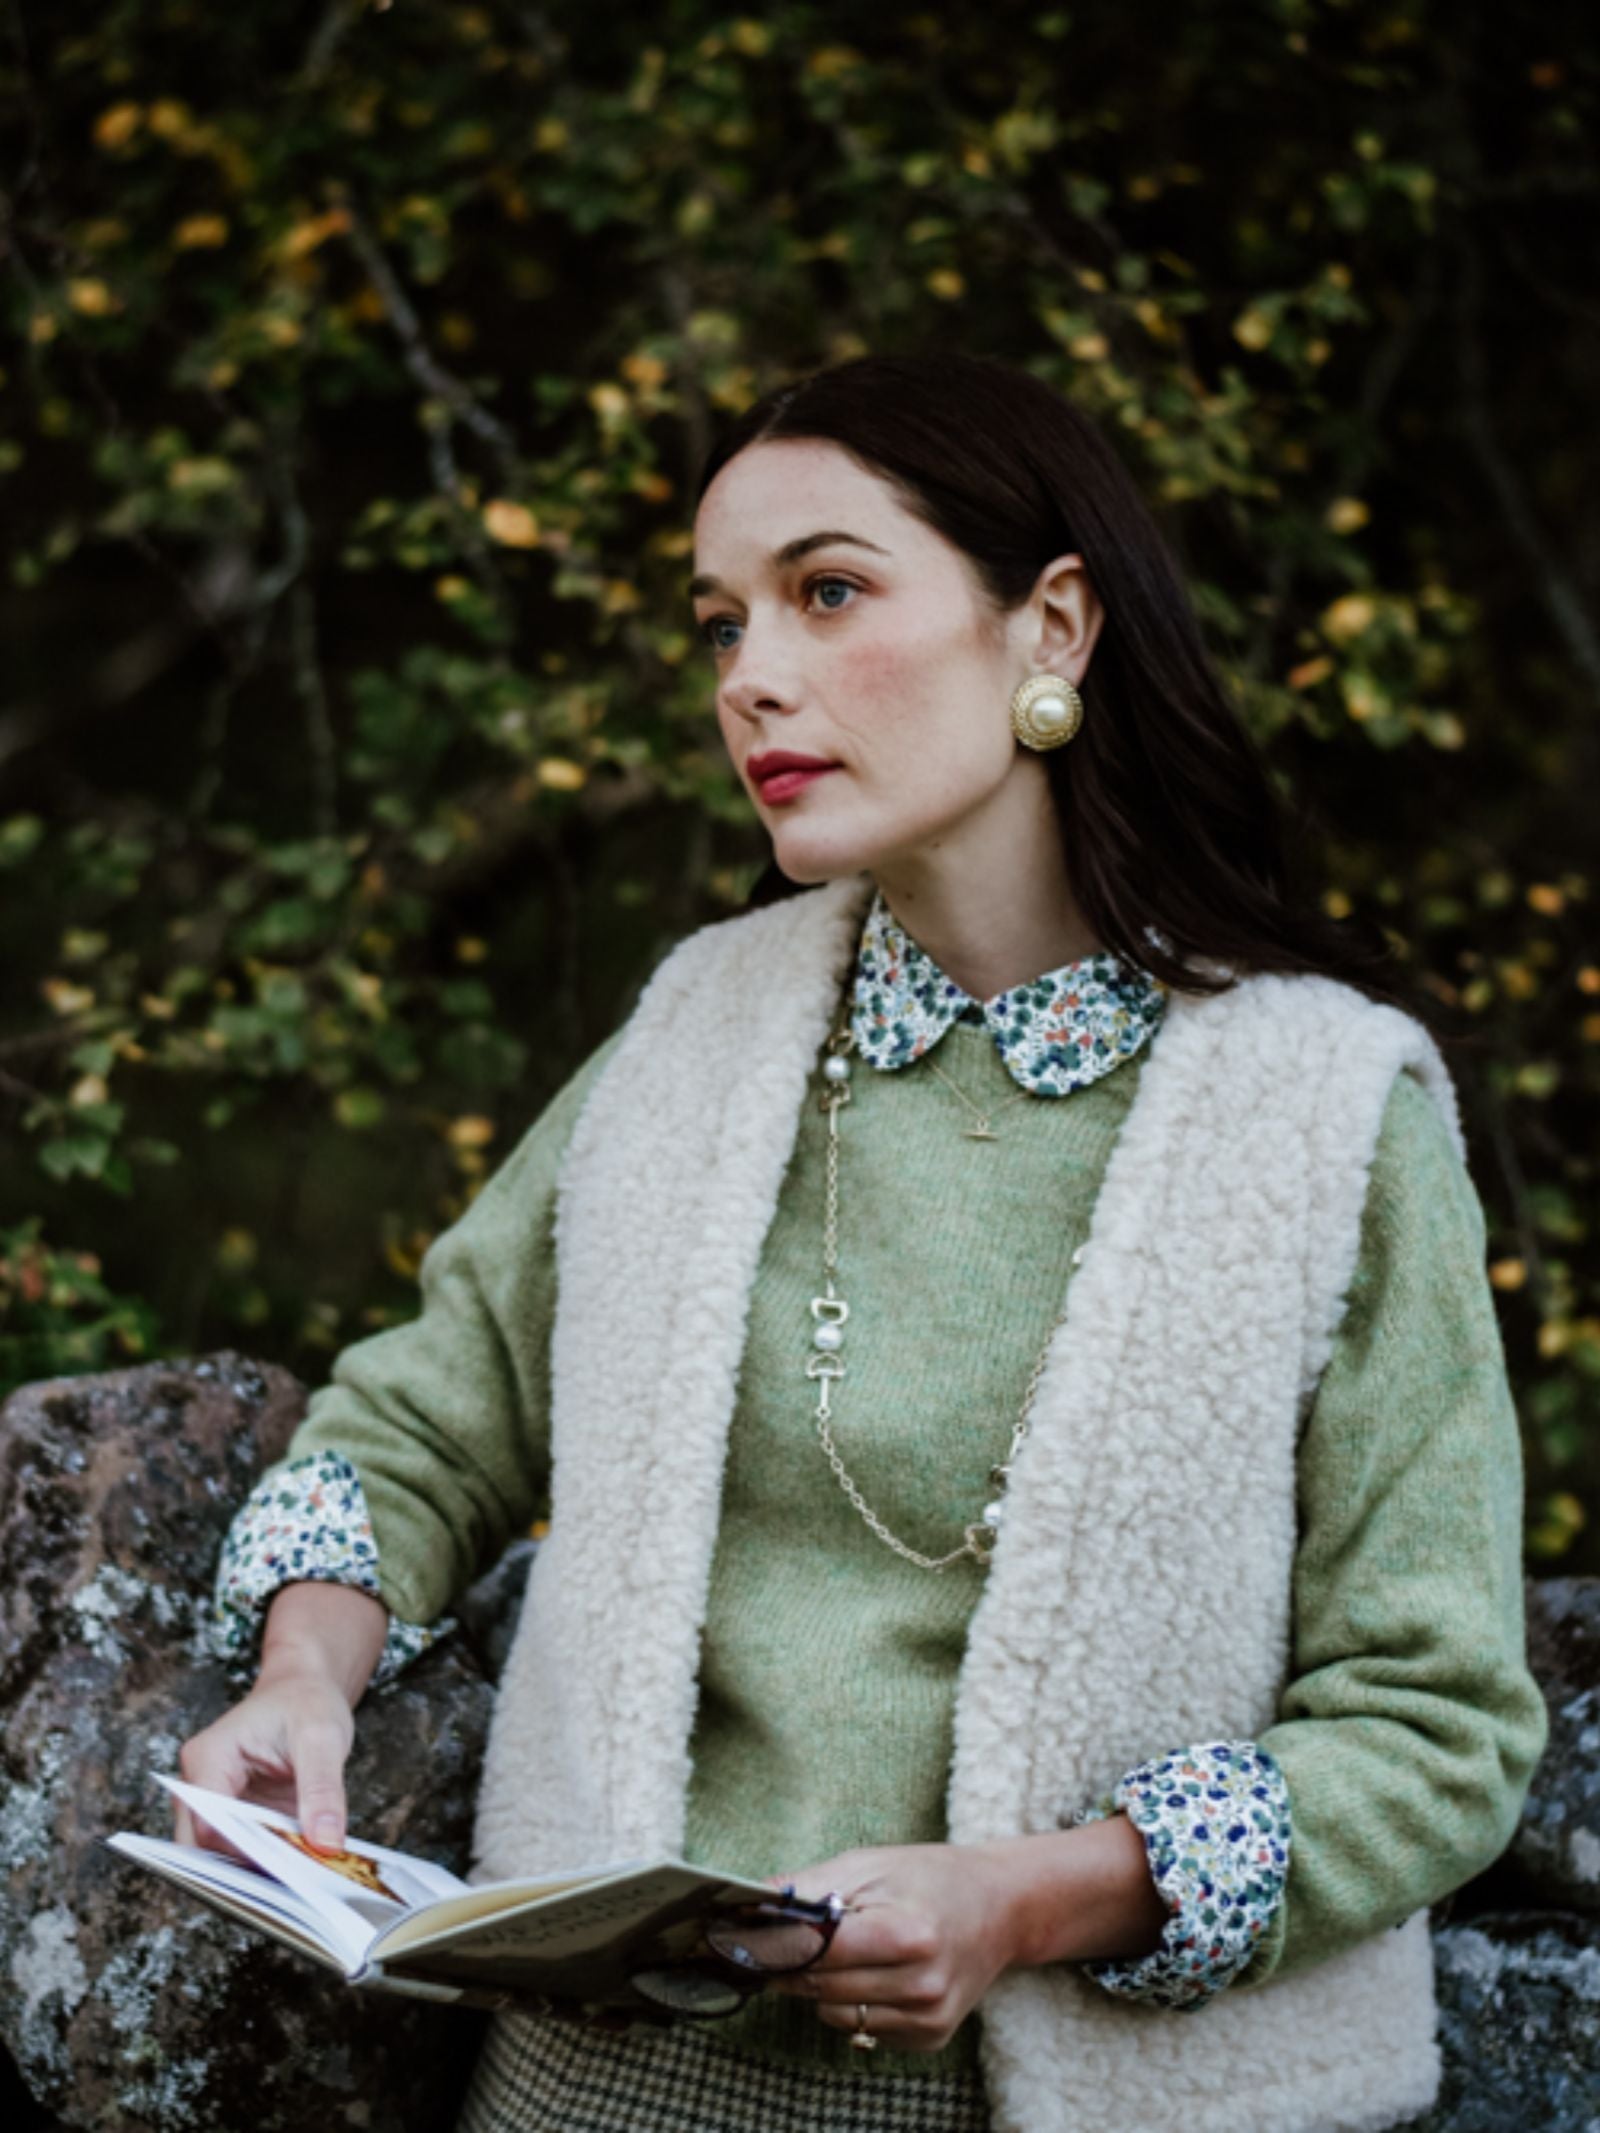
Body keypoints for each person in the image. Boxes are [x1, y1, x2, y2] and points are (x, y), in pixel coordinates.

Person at [177, 351, 1546, 2133]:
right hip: (589, 2084)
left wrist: (1031, 1897)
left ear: (1054, 626)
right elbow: (422, 1421)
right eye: (720, 621)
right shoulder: (697, 1030)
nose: (750, 675)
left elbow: (1438, 1728)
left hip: (1070, 2100)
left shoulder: (1330, 1112)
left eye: (826, 592)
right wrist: (305, 1677)